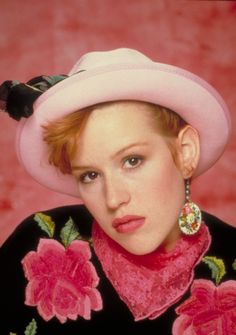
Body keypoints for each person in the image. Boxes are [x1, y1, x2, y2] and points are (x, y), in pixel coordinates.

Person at [0, 48, 235, 335]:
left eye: (132, 161)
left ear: (185, 152)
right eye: (90, 175)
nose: (113, 199)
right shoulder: (38, 244)